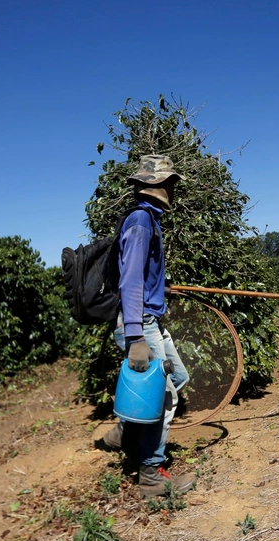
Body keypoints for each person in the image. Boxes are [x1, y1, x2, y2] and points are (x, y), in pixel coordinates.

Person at [100, 155, 196, 497]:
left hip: (149, 319)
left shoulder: (147, 220)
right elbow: (129, 281)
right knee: (165, 396)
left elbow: (142, 275)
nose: (172, 188)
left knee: (179, 377)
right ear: (155, 184)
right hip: (140, 323)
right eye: (169, 182)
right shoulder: (141, 221)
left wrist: (163, 286)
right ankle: (151, 474)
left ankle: (125, 432)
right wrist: (136, 337)